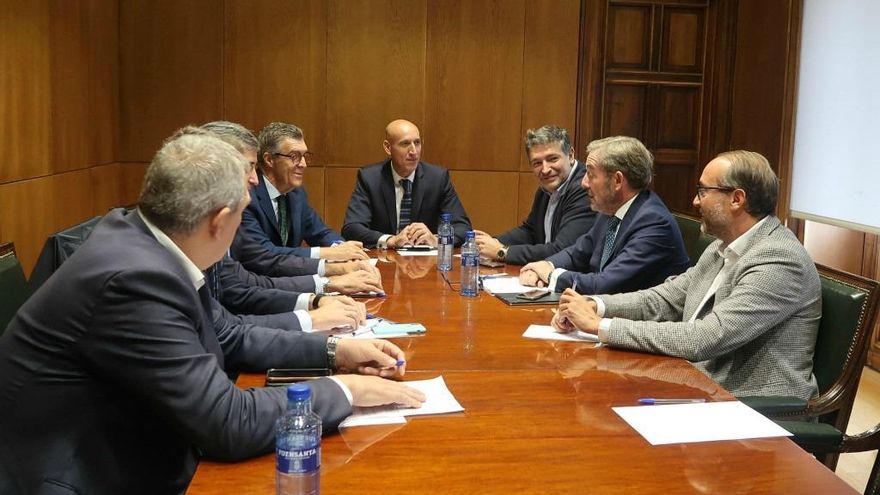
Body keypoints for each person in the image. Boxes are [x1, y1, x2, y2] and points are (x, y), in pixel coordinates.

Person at [0, 128, 424, 494]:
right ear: (220, 221)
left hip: (135, 446)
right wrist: (348, 393)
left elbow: (228, 334)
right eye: (243, 210)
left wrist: (334, 353)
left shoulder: (150, 242)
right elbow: (227, 423)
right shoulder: (136, 279)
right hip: (89, 478)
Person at [552, 150, 821, 400]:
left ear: (737, 199)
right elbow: (666, 298)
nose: (694, 201)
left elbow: (706, 337)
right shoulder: (722, 247)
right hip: (696, 383)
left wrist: (600, 326)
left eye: (703, 191)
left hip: (751, 406)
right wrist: (596, 306)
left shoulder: (778, 259)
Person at [519, 136, 689, 294]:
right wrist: (545, 265)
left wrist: (551, 276)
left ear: (617, 181)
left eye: (591, 174)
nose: (583, 183)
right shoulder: (611, 209)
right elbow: (578, 252)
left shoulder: (654, 223)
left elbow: (606, 284)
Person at [241, 122, 368, 261]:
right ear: (269, 159)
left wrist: (341, 247)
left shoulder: (296, 193)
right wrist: (325, 254)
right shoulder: (247, 196)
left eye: (304, 156)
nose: (303, 164)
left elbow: (320, 232)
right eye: (294, 156)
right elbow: (264, 252)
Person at [473, 125, 595, 265]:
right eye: (537, 163)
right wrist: (492, 242)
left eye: (552, 159)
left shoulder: (584, 188)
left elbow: (561, 250)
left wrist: (502, 251)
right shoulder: (548, 188)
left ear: (571, 155)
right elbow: (529, 231)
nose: (545, 169)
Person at [342, 119, 471, 248]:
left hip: (425, 263)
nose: (414, 151)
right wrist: (390, 240)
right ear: (388, 147)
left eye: (417, 142)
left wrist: (436, 239)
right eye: (405, 144)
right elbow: (352, 228)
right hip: (385, 261)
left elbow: (463, 227)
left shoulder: (437, 178)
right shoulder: (370, 178)